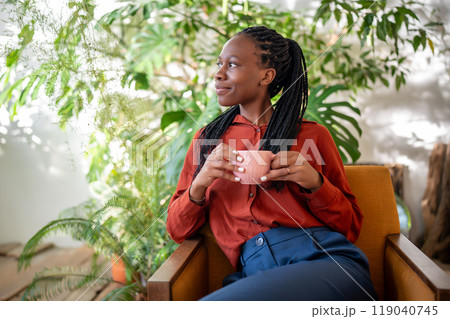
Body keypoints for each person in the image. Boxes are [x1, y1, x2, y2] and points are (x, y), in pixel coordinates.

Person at [166, 25, 378, 301]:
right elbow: (176, 230)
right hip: (256, 273)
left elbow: (351, 228)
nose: (218, 74)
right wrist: (201, 182)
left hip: (326, 261)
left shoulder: (312, 136)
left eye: (232, 65)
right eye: (219, 64)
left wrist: (314, 183)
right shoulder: (208, 140)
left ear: (266, 75)